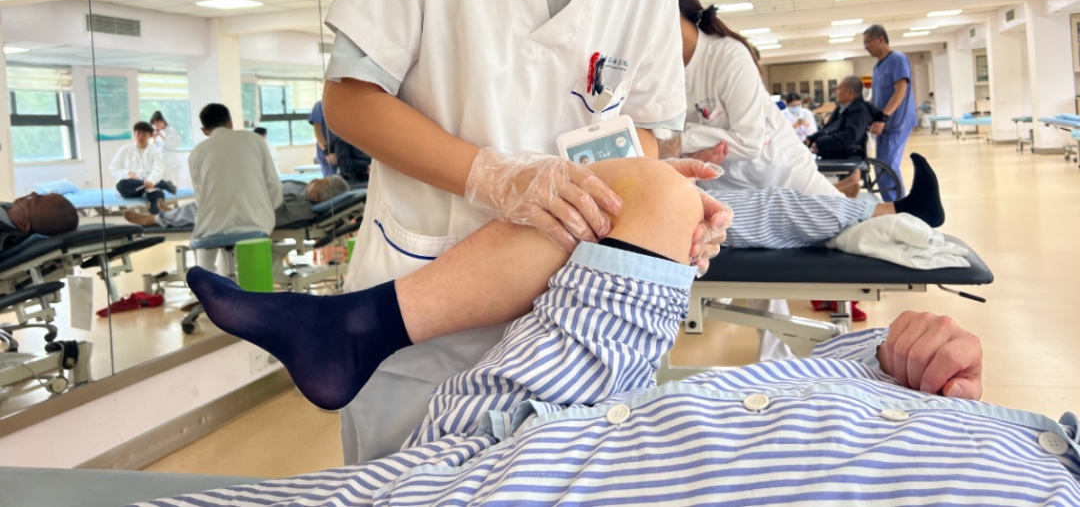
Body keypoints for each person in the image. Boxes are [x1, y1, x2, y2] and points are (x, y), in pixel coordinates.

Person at [171, 160, 1079, 507]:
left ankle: (875, 216)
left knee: (702, 196)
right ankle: (350, 329)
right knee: (658, 193)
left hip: (519, 471)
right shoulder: (1038, 449)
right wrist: (885, 358)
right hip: (559, 423)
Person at [319, 0, 726, 462]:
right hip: (422, 307)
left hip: (576, 314)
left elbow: (648, 131)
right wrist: (497, 177)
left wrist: (652, 206)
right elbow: (350, 102)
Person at [674, 0, 859, 199]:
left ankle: (891, 207)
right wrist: (684, 148)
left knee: (851, 218)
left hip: (783, 175)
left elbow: (748, 141)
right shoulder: (662, 71)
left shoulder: (726, 55)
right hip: (729, 192)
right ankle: (851, 194)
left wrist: (680, 142)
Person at [176, 104, 283, 274]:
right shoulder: (254, 140)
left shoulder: (197, 152)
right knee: (239, 262)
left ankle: (210, 287)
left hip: (212, 228)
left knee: (206, 258)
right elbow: (274, 185)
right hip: (257, 224)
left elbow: (200, 198)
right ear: (230, 123)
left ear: (204, 130)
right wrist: (267, 209)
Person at [124, 175, 349, 232]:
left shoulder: (303, 206)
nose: (315, 179)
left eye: (320, 182)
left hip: (246, 214)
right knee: (213, 194)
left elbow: (272, 211)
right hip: (246, 200)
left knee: (211, 207)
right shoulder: (303, 190)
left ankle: (155, 219)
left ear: (320, 198)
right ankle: (173, 214)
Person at [864, 24, 918, 202]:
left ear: (880, 39)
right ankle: (890, 203)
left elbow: (900, 91)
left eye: (868, 43)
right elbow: (877, 96)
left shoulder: (898, 59)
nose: (866, 47)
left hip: (896, 122)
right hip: (883, 124)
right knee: (880, 167)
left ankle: (899, 205)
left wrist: (884, 116)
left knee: (888, 166)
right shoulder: (877, 67)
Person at [806, 74, 877, 159]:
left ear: (850, 92)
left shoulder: (859, 111)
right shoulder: (841, 108)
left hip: (846, 156)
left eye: (839, 89)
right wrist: (811, 139)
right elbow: (828, 130)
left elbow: (849, 137)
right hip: (832, 153)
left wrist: (821, 143)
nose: (836, 92)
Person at [109, 122, 170, 215]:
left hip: (150, 185)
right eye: (138, 134)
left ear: (150, 135)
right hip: (131, 186)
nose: (141, 137)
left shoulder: (156, 152)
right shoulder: (124, 150)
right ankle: (158, 185)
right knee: (121, 185)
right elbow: (113, 168)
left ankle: (155, 218)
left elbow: (158, 170)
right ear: (134, 134)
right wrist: (127, 173)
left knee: (158, 195)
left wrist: (151, 181)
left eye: (144, 134)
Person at [0, 192, 79, 251]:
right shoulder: (13, 211)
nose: (33, 193)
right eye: (43, 194)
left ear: (24, 225)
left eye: (31, 200)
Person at [149, 111, 181, 194]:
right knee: (162, 187)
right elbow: (153, 150)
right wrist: (153, 139)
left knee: (173, 186)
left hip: (170, 164)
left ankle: (174, 200)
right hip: (160, 164)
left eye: (158, 122)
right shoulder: (155, 133)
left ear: (163, 121)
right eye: (154, 123)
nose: (156, 125)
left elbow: (174, 146)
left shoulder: (171, 131)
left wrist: (162, 137)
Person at [308, 100, 333, 178]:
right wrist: (327, 151)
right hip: (329, 154)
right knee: (332, 180)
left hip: (344, 153)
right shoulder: (320, 106)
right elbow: (317, 130)